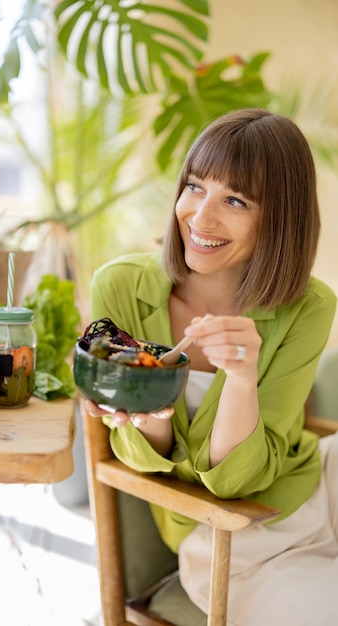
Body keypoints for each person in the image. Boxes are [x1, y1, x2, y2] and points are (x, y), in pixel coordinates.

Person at [85, 108, 338, 625]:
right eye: (196, 187)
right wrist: (152, 402)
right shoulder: (120, 286)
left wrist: (244, 372)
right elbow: (229, 485)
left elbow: (276, 447)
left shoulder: (309, 305)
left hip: (317, 483)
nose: (200, 219)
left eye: (236, 200)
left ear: (280, 218)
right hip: (230, 537)